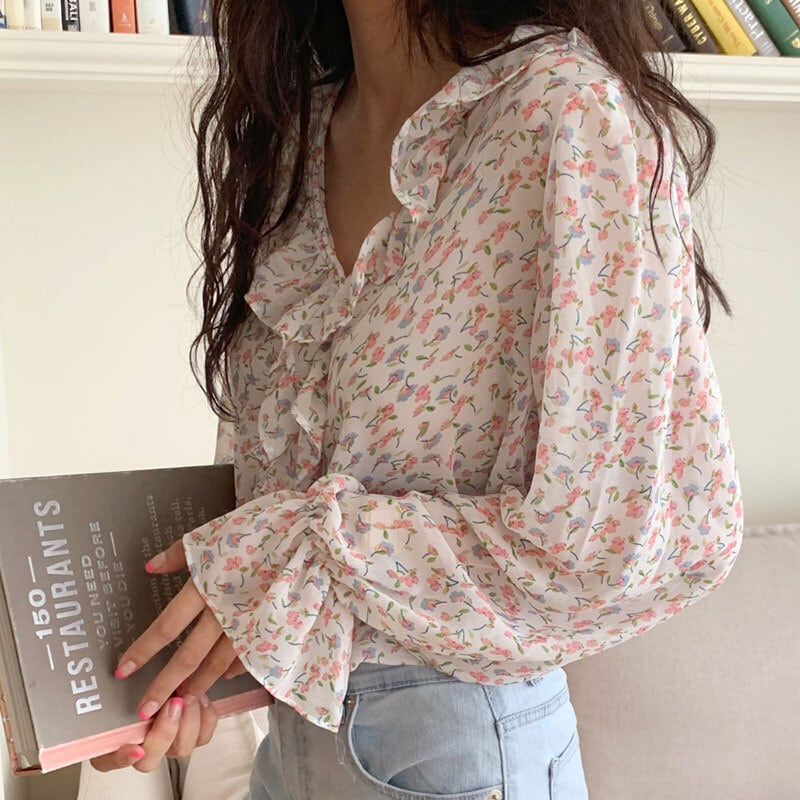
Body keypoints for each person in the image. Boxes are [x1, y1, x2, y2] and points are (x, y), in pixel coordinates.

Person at [83, 1, 745, 797]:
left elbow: (620, 543)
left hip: (458, 753)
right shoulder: (295, 129)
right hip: (289, 756)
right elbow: (273, 508)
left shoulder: (567, 114)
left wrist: (308, 550)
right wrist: (182, 674)